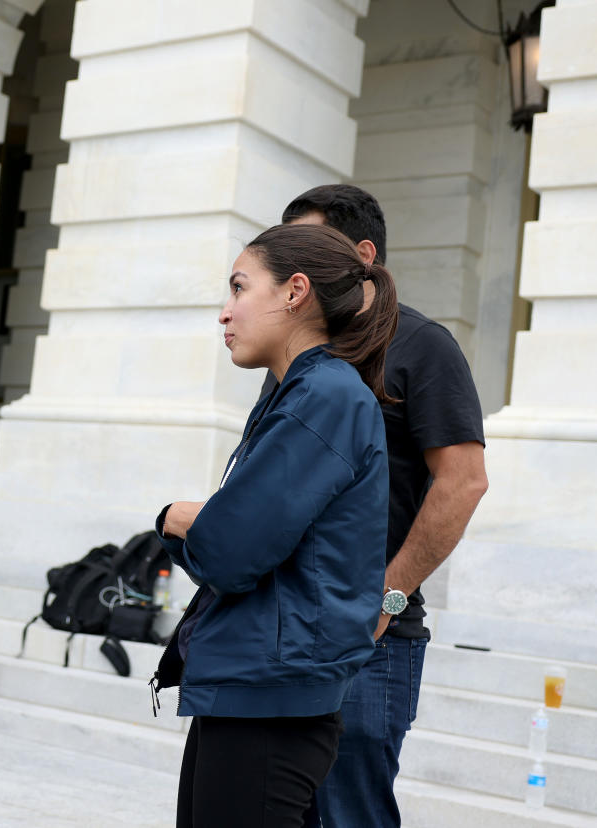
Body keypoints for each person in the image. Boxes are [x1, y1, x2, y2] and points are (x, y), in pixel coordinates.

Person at [157, 222, 401, 827]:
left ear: (295, 292)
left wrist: (174, 518)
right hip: (255, 684)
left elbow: (231, 552)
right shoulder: (303, 390)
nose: (225, 312)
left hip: (274, 697)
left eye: (239, 288)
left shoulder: (326, 395)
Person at [274, 184, 488, 827]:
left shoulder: (426, 345)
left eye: (309, 254)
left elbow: (464, 482)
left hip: (373, 642)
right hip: (285, 628)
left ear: (364, 254)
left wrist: (387, 598)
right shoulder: (296, 349)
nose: (294, 276)